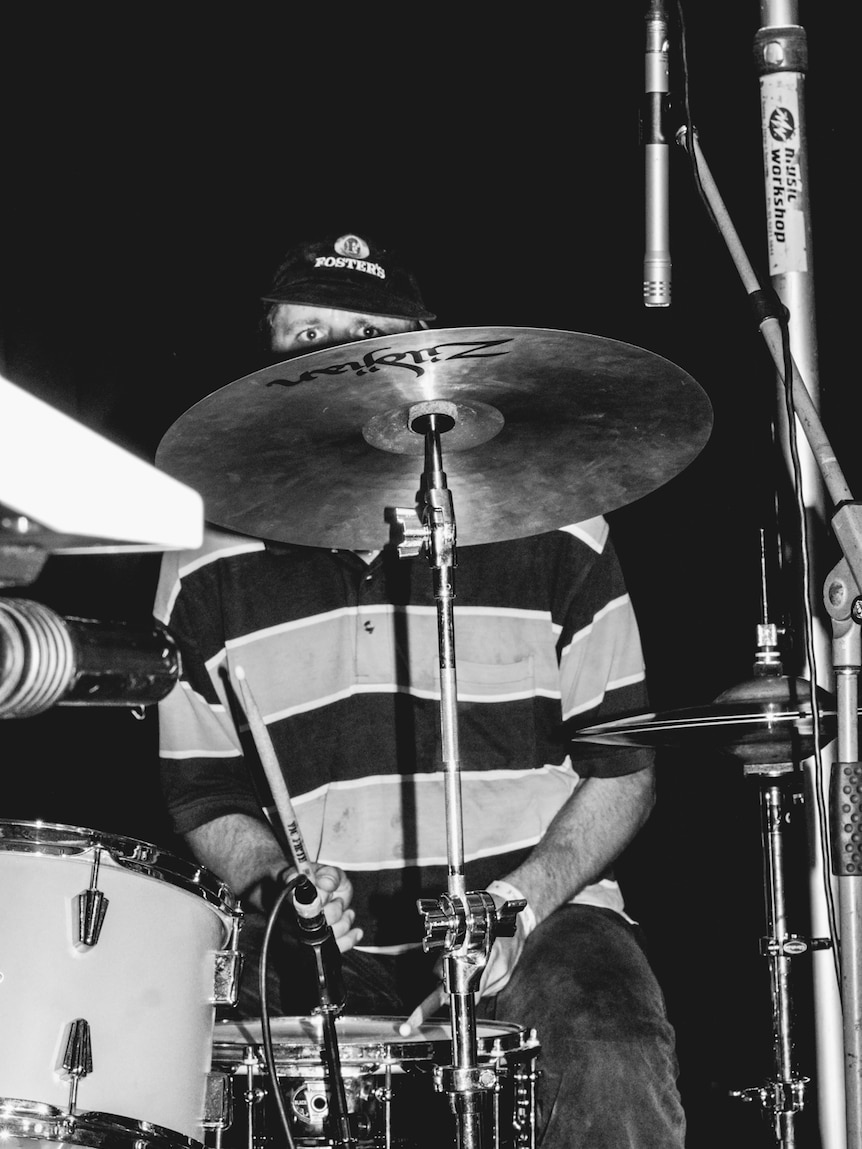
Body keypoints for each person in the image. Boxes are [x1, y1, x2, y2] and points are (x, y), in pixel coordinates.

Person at [154, 230, 686, 1147]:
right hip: (325, 935)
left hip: (535, 911)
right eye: (305, 333)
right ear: (267, 353)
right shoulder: (205, 556)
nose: (334, 357)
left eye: (363, 333)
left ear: (424, 358)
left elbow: (623, 765)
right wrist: (273, 879)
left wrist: (518, 900)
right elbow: (202, 785)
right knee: (178, 1054)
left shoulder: (558, 526)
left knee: (607, 1041)